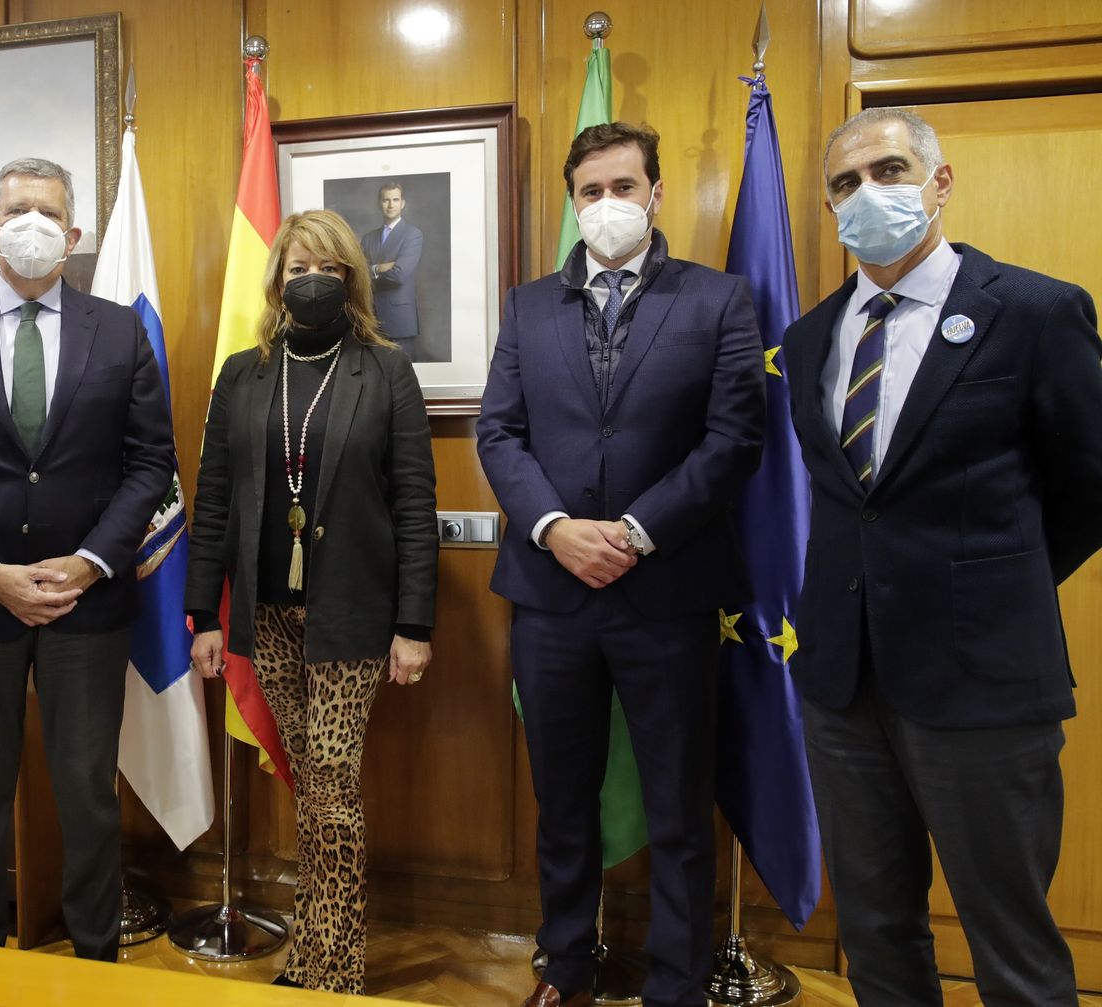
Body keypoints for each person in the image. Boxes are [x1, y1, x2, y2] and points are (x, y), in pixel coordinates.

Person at [784, 108, 1102, 1006]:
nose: (865, 194)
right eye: (844, 183)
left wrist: (990, 588)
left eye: (887, 170)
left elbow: (1088, 484)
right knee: (878, 931)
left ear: (940, 182)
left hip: (983, 681)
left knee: (1011, 939)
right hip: (844, 684)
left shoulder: (1035, 311)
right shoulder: (813, 337)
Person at [476, 122, 765, 1007]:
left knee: (680, 807)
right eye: (590, 192)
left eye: (624, 187)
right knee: (562, 805)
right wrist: (556, 525)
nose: (607, 205)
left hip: (668, 591)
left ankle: (676, 985)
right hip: (551, 593)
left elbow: (734, 440)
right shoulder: (529, 306)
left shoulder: (719, 301)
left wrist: (637, 531)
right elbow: (498, 432)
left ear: (657, 193)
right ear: (572, 202)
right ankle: (566, 967)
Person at [0, 158, 175, 957]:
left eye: (49, 212)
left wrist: (89, 561)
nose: (33, 224)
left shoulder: (118, 329)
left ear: (74, 236)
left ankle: (93, 960)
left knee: (86, 795)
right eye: (17, 210)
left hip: (89, 601)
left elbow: (151, 462)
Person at [185, 208, 437, 994]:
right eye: (295, 269)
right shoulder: (243, 373)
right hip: (266, 612)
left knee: (332, 780)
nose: (309, 280)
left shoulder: (384, 369)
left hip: (355, 615)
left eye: (323, 266)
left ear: (351, 276)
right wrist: (202, 617)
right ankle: (317, 949)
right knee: (313, 784)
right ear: (277, 281)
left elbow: (414, 503)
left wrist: (415, 625)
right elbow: (215, 501)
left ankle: (335, 958)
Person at [358, 181, 424, 354]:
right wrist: (378, 268)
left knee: (401, 377)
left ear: (402, 203)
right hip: (372, 318)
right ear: (379, 203)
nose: (390, 204)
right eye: (386, 200)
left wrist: (370, 271)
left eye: (395, 200)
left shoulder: (412, 234)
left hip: (399, 321)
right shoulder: (368, 238)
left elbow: (399, 274)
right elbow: (358, 273)